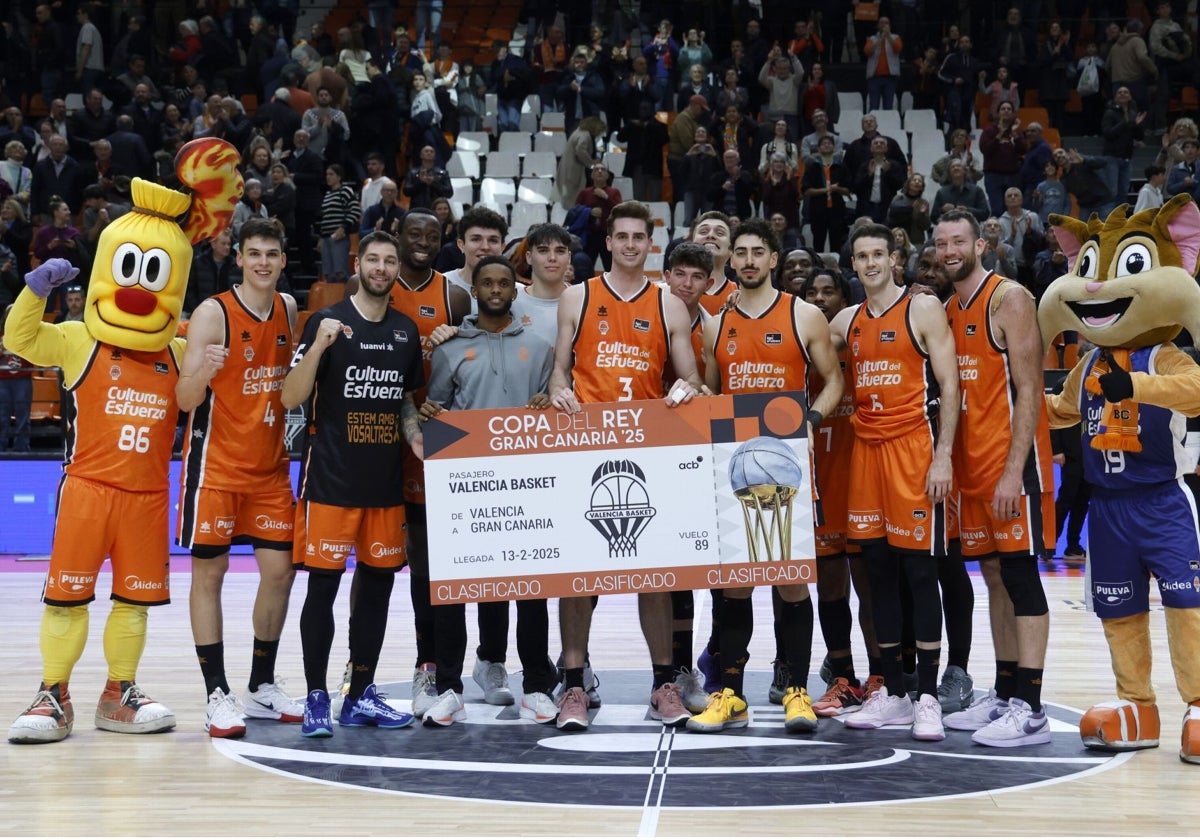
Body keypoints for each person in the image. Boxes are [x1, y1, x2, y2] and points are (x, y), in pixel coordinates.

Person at [6, 149, 241, 745]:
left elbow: (202, 387)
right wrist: (34, 291)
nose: (139, 287)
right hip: (87, 489)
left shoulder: (177, 348)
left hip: (146, 495)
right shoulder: (82, 338)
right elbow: (19, 339)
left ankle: (119, 693)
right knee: (67, 599)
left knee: (132, 604)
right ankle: (53, 694)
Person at [548, 201, 707, 731]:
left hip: (646, 449)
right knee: (576, 573)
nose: (632, 245)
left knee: (654, 573)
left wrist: (687, 388)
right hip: (585, 446)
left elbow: (692, 379)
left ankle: (663, 684)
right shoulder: (578, 296)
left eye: (641, 237)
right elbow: (558, 374)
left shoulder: (669, 305)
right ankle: (573, 686)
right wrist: (559, 393)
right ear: (609, 242)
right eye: (623, 237)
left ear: (650, 244)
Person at [689, 218, 843, 734]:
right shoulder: (715, 324)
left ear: (775, 259)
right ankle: (729, 693)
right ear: (729, 261)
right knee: (735, 586)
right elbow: (711, 393)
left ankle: (795, 689)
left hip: (788, 466)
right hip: (734, 466)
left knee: (792, 583)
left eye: (759, 251)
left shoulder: (804, 315)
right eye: (741, 252)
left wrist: (810, 423)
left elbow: (833, 382)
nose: (749, 260)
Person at [282, 231, 425, 737]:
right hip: (331, 483)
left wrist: (414, 438)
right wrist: (318, 348)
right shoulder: (326, 322)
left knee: (377, 592)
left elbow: (405, 399)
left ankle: (359, 694)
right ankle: (317, 695)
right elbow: (288, 396)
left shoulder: (406, 332)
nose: (382, 268)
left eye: (390, 260)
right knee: (322, 588)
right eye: (374, 259)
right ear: (358, 264)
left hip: (384, 487)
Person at [829, 222, 960, 742]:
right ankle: (896, 694)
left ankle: (927, 695)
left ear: (895, 258)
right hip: (867, 451)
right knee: (877, 573)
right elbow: (801, 335)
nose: (870, 263)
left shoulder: (923, 309)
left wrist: (943, 457)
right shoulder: (848, 319)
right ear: (854, 265)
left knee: (921, 575)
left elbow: (950, 384)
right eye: (861, 256)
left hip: (915, 450)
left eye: (879, 253)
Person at [417, 255, 558, 725]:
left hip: (527, 486)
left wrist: (546, 404)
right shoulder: (451, 347)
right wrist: (431, 417)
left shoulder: (539, 346)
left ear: (515, 291)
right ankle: (449, 687)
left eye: (503, 282)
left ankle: (537, 685)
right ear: (474, 290)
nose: (496, 289)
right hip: (467, 488)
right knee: (455, 590)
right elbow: (435, 406)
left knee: (532, 590)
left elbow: (554, 406)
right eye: (487, 283)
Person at [175, 218, 303, 738]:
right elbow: (184, 400)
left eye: (272, 254)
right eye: (254, 253)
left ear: (283, 260)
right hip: (216, 469)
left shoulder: (289, 308)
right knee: (211, 575)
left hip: (270, 468)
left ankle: (262, 684)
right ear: (240, 258)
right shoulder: (212, 313)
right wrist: (204, 370)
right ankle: (215, 694)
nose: (263, 262)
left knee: (280, 572)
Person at [936, 209, 1054, 747]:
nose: (950, 250)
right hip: (970, 474)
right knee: (996, 580)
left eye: (959, 241)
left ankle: (1030, 708)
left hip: (1011, 469)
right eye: (942, 244)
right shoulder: (944, 310)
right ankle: (1006, 692)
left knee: (1022, 577)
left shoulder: (1010, 299)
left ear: (981, 244)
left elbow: (1029, 390)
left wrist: (1013, 474)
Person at [385, 211, 471, 719]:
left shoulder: (455, 296)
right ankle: (366, 670)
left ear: (444, 243)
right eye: (412, 234)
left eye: (431, 236)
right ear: (398, 237)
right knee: (384, 563)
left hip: (438, 438)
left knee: (436, 563)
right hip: (382, 439)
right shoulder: (373, 283)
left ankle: (436, 666)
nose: (421, 242)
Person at [800, 265, 882, 716]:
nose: (818, 298)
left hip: (865, 481)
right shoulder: (798, 352)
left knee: (871, 589)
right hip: (821, 485)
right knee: (830, 589)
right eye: (810, 292)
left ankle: (880, 676)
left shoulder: (860, 341)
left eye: (827, 291)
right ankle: (843, 676)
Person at [803, 135, 853, 253]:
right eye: (823, 144)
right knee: (818, 242)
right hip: (818, 210)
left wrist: (837, 189)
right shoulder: (813, 166)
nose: (826, 145)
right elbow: (806, 190)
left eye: (829, 143)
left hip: (836, 210)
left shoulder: (840, 166)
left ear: (834, 148)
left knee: (837, 242)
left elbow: (848, 190)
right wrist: (826, 190)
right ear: (819, 148)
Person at [318, 164, 359, 283]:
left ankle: (345, 297)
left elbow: (355, 210)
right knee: (328, 273)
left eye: (331, 174)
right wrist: (321, 237)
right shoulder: (327, 195)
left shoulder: (345, 191)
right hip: (326, 237)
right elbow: (325, 217)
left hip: (339, 237)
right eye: (327, 174)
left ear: (339, 177)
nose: (328, 177)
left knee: (340, 271)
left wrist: (343, 227)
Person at [557, 116, 605, 209]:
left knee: (570, 202)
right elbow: (580, 150)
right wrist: (591, 163)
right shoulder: (585, 135)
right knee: (573, 203)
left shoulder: (579, 131)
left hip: (568, 169)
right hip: (573, 172)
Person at [863, 16, 903, 111]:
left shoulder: (896, 37)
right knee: (874, 106)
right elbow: (868, 51)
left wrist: (888, 36)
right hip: (874, 77)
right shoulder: (872, 39)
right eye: (881, 23)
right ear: (878, 25)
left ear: (890, 26)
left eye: (886, 23)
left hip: (890, 77)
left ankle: (887, 125)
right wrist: (881, 39)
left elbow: (898, 49)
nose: (884, 25)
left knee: (888, 106)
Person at [403, 145, 453, 212]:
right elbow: (406, 192)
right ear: (421, 155)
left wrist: (433, 183)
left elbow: (449, 193)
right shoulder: (413, 173)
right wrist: (420, 182)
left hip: (436, 210)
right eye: (426, 151)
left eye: (431, 152)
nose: (429, 153)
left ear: (435, 156)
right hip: (417, 209)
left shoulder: (442, 173)